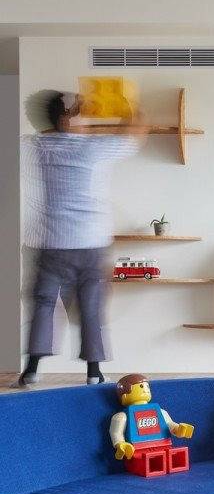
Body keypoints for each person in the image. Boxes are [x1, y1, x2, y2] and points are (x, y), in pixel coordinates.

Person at [16, 90, 147, 387]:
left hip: (51, 244)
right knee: (90, 306)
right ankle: (94, 373)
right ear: (70, 118)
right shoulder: (93, 147)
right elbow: (135, 136)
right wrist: (131, 108)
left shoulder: (37, 146)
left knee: (44, 304)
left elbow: (38, 135)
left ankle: (31, 370)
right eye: (82, 114)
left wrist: (57, 125)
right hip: (90, 242)